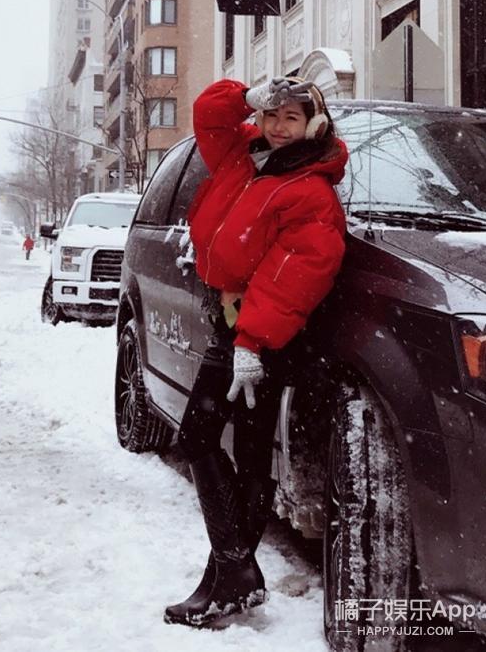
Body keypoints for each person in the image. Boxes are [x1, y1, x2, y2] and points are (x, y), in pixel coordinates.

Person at [163, 76, 349, 627]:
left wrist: (252, 343)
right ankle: (230, 577)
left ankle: (232, 571)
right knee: (242, 452)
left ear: (313, 124)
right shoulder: (246, 154)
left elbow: (295, 275)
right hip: (236, 327)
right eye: (272, 115)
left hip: (262, 337)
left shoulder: (312, 191)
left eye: (292, 118)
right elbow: (207, 115)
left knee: (204, 438)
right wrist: (247, 96)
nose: (278, 127)